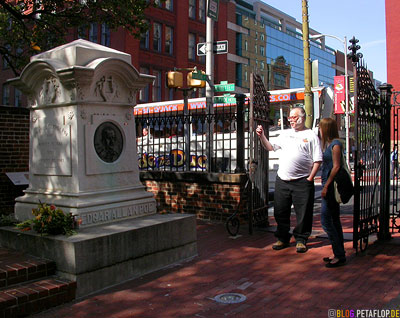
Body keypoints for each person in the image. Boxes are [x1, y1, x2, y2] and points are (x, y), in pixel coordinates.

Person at [256, 107, 322, 253]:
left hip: (302, 181)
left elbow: (317, 160)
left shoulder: (311, 135)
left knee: (303, 213)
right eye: (290, 117)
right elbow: (270, 147)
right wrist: (262, 136)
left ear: (302, 117)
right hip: (283, 180)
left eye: (294, 117)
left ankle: (301, 239)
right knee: (280, 211)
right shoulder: (284, 134)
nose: (291, 120)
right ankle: (282, 238)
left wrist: (310, 178)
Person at [319, 117, 347, 268]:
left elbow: (336, 167)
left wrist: (326, 186)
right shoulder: (331, 144)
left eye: (320, 127)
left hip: (330, 187)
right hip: (327, 185)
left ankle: (339, 255)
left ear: (326, 128)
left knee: (326, 221)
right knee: (335, 220)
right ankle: (338, 252)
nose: (319, 130)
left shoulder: (335, 145)